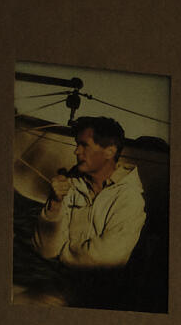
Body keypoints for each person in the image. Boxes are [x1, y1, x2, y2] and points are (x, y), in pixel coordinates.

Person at [30, 115, 147, 303]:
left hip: (102, 298)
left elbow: (107, 259)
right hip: (61, 287)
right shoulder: (71, 184)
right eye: (77, 145)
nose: (76, 151)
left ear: (109, 151)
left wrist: (63, 254)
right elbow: (45, 251)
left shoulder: (129, 198)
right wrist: (55, 203)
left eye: (84, 145)